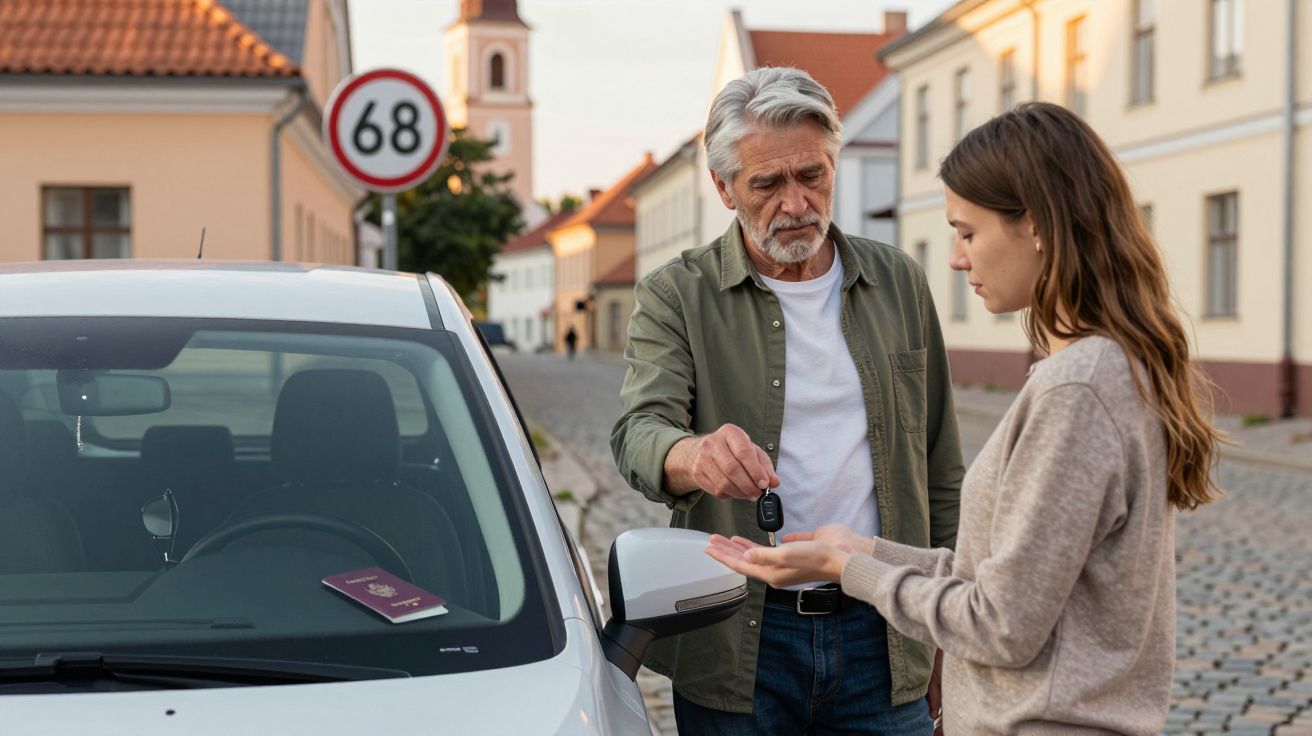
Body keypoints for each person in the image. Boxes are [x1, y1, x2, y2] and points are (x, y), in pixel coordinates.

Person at [707, 101, 1225, 735]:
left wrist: (848, 571)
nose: (956, 258)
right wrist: (861, 547)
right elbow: (1003, 578)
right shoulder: (1103, 370)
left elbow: (999, 624)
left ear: (1034, 225)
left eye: (969, 232)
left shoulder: (1078, 390)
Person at [611, 66, 963, 734]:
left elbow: (941, 466)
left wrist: (946, 637)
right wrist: (694, 455)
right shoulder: (675, 295)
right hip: (738, 637)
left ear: (835, 161)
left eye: (813, 175)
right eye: (767, 185)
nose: (797, 204)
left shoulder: (898, 282)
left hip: (884, 632)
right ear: (722, 187)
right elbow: (638, 433)